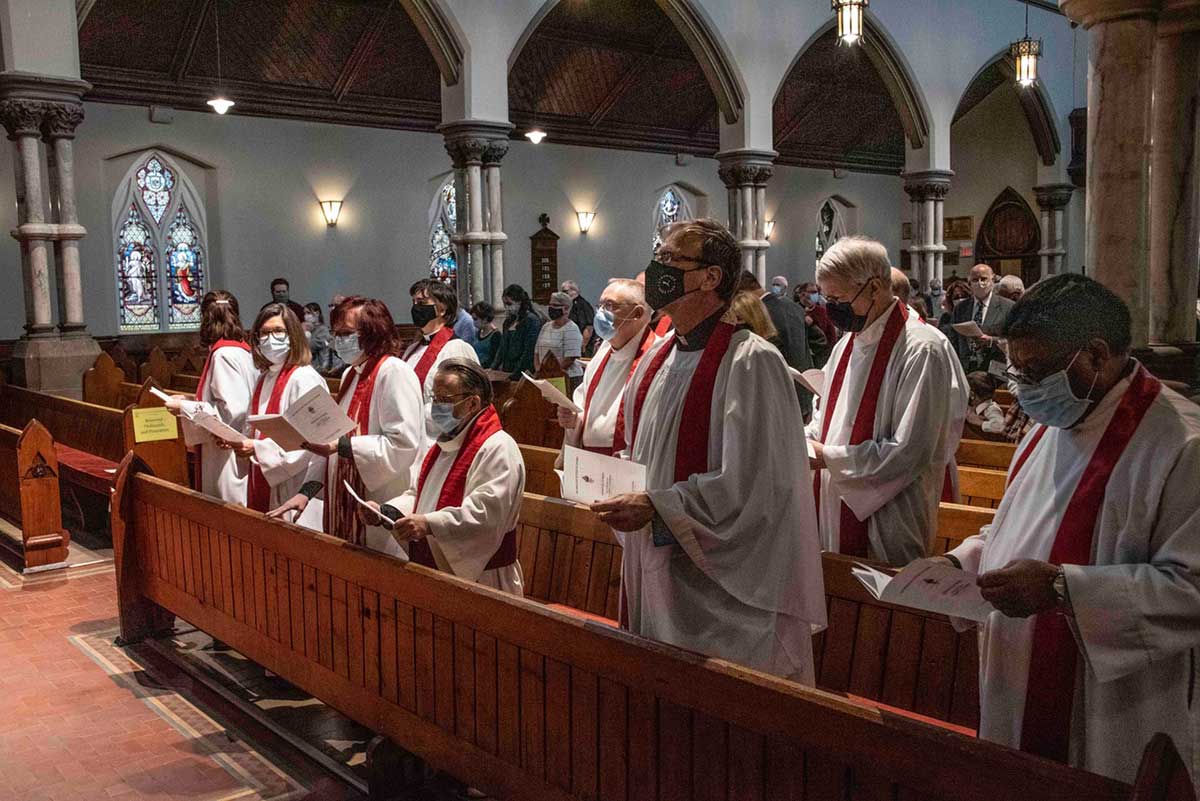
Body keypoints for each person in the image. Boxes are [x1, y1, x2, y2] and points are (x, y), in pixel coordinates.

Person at [940, 274, 1200, 783]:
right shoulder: (1051, 424)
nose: (1024, 389)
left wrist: (1063, 590)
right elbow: (1015, 527)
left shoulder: (1182, 445)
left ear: (1096, 354)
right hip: (1017, 671)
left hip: (1112, 700)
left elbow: (1190, 588)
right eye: (1017, 371)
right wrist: (960, 561)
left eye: (1035, 371)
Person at [591, 218, 826, 684]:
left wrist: (657, 506)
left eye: (670, 259)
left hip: (721, 592)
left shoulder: (751, 362)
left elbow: (756, 486)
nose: (656, 268)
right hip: (658, 566)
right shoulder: (658, 359)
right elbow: (642, 453)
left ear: (710, 277)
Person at [806, 237, 968, 567]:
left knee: (881, 610)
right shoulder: (847, 344)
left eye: (838, 298)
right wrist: (807, 438)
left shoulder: (921, 349)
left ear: (875, 287)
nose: (831, 307)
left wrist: (830, 458)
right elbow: (826, 415)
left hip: (890, 513)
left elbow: (910, 450)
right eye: (827, 298)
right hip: (833, 499)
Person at [268, 297, 425, 552]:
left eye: (346, 333)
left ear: (373, 332)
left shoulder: (394, 372)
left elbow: (403, 444)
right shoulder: (350, 374)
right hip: (343, 500)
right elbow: (330, 437)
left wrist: (341, 446)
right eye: (336, 333)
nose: (338, 340)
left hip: (378, 501)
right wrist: (306, 492)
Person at [362, 359, 525, 594]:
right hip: (436, 567)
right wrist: (385, 512)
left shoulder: (497, 448)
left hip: (484, 580)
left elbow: (484, 516)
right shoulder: (447, 442)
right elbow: (420, 494)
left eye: (445, 399)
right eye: (434, 398)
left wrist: (429, 524)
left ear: (472, 403)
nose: (436, 407)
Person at [228, 303, 329, 518]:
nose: (270, 338)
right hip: (267, 477)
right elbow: (254, 427)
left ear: (293, 335)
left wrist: (257, 448)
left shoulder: (305, 378)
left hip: (297, 484)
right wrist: (236, 440)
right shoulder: (265, 377)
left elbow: (316, 440)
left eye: (278, 331)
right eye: (264, 333)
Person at [165, 291, 257, 503]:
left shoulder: (223, 355)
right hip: (238, 446)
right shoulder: (243, 351)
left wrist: (183, 408)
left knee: (228, 513)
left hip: (227, 452)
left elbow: (232, 410)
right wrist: (189, 399)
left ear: (205, 319)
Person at [558, 279, 657, 455]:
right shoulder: (601, 355)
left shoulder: (656, 358)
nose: (600, 312)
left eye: (609, 305)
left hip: (627, 460)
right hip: (590, 458)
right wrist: (575, 419)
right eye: (600, 305)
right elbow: (583, 407)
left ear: (637, 313)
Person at [404, 279, 479, 452]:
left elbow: (459, 405)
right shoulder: (411, 350)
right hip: (411, 439)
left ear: (442, 309)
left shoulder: (457, 349)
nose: (416, 308)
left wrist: (409, 416)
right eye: (414, 302)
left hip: (439, 442)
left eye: (422, 303)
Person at [738, 271, 815, 417]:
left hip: (778, 398)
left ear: (742, 293)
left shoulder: (759, 314)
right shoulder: (793, 307)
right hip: (803, 393)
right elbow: (817, 343)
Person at [942, 263, 1014, 373]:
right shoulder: (961, 308)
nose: (980, 283)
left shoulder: (1007, 307)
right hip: (966, 369)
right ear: (969, 282)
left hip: (994, 370)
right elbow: (954, 339)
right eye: (975, 279)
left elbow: (1014, 340)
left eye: (984, 279)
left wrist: (991, 341)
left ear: (993, 280)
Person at [488, 284, 541, 380]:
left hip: (523, 372)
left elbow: (528, 352)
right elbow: (502, 348)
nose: (507, 307)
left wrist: (515, 375)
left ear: (520, 302)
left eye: (509, 304)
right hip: (507, 369)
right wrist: (493, 368)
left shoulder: (531, 320)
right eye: (505, 304)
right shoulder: (508, 321)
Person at [535, 291, 585, 393]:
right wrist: (539, 371)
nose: (551, 307)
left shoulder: (571, 328)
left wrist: (551, 373)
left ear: (566, 308)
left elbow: (570, 358)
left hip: (567, 378)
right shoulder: (546, 326)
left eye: (555, 305)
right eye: (550, 304)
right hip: (545, 376)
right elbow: (536, 351)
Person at [797, 281, 836, 367]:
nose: (814, 295)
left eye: (816, 292)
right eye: (811, 292)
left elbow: (825, 330)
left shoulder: (821, 311)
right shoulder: (795, 310)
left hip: (822, 355)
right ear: (801, 294)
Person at [303, 302, 342, 376]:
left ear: (317, 313)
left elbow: (310, 347)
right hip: (312, 367)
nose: (306, 316)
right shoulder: (312, 329)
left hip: (321, 368)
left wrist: (305, 333)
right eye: (304, 313)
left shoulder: (322, 330)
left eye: (308, 313)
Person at [561, 280, 596, 355]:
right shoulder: (570, 304)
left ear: (574, 291)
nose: (563, 294)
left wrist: (583, 345)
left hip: (582, 347)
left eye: (565, 291)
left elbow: (589, 327)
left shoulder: (582, 305)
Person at [470, 302, 501, 367]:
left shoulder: (496, 335)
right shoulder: (478, 332)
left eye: (476, 319)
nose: (473, 322)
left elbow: (495, 358)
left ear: (485, 319)